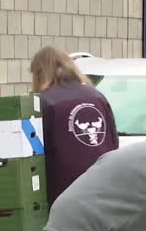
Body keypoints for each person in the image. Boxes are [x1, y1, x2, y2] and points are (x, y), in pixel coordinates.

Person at [31, 46, 120, 204]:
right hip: (104, 188)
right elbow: (113, 142)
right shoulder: (97, 96)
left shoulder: (43, 102)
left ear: (39, 73)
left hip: (65, 194)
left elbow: (35, 153)